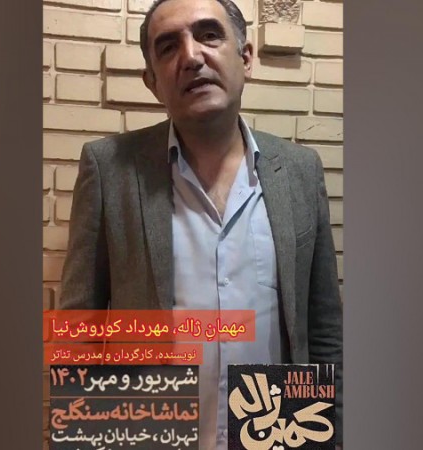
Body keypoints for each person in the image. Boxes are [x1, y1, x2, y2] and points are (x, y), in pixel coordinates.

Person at [59, 0, 343, 448]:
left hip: (276, 434)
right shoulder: (110, 169)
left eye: (209, 35)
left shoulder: (300, 171)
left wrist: (334, 434)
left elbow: (324, 326)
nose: (191, 56)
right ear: (152, 82)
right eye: (168, 47)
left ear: (245, 58)